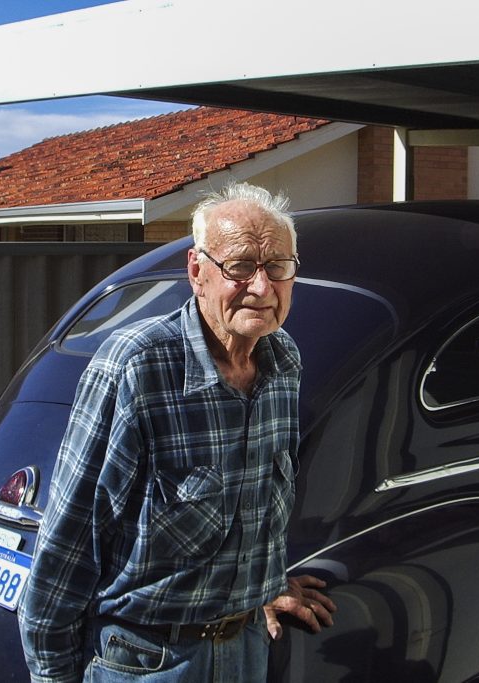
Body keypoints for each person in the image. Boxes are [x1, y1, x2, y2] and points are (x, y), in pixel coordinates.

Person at [18, 182, 336, 683]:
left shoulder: (283, 362)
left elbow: (257, 499)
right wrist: (53, 675)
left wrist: (262, 584)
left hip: (247, 648)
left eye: (277, 267)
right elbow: (68, 541)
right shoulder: (137, 366)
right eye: (239, 267)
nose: (261, 286)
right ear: (197, 272)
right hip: (146, 660)